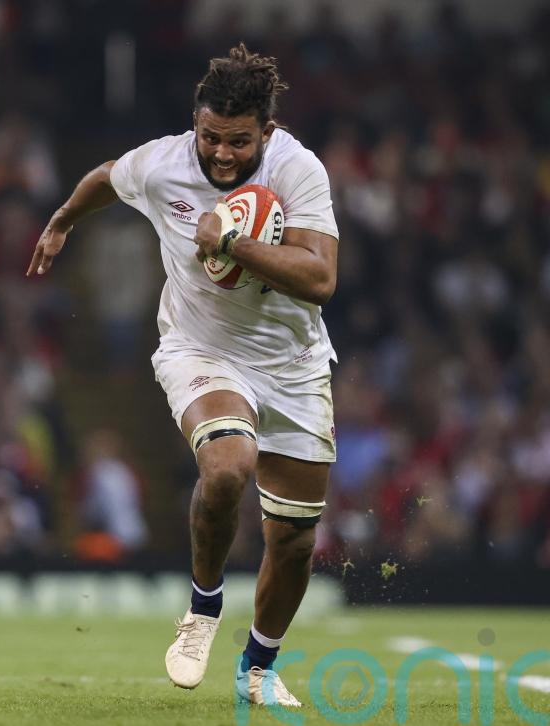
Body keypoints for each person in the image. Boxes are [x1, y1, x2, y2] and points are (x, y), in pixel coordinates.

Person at [27, 44, 339, 707]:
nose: (221, 154)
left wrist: (231, 242)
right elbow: (106, 177)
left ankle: (258, 668)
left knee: (293, 540)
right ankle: (202, 609)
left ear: (268, 132)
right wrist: (61, 221)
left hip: (293, 364)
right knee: (227, 466)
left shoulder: (297, 168)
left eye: (239, 141)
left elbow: (320, 278)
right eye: (210, 137)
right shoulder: (162, 164)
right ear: (195, 123)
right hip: (200, 349)